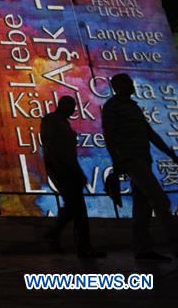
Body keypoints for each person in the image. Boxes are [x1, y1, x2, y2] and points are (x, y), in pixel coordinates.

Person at [102, 73, 178, 261]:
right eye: (127, 82)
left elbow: (150, 134)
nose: (131, 85)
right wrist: (117, 160)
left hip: (143, 159)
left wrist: (172, 156)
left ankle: (142, 249)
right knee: (160, 200)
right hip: (131, 160)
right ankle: (176, 245)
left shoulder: (133, 107)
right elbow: (109, 135)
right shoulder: (113, 106)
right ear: (117, 86)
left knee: (142, 208)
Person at [40, 96, 105, 258]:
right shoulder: (51, 120)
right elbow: (49, 143)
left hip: (70, 168)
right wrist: (56, 165)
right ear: (62, 105)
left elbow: (70, 153)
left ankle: (57, 234)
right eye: (70, 106)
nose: (72, 110)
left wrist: (78, 172)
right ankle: (68, 239)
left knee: (76, 207)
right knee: (77, 207)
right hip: (62, 168)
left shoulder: (64, 123)